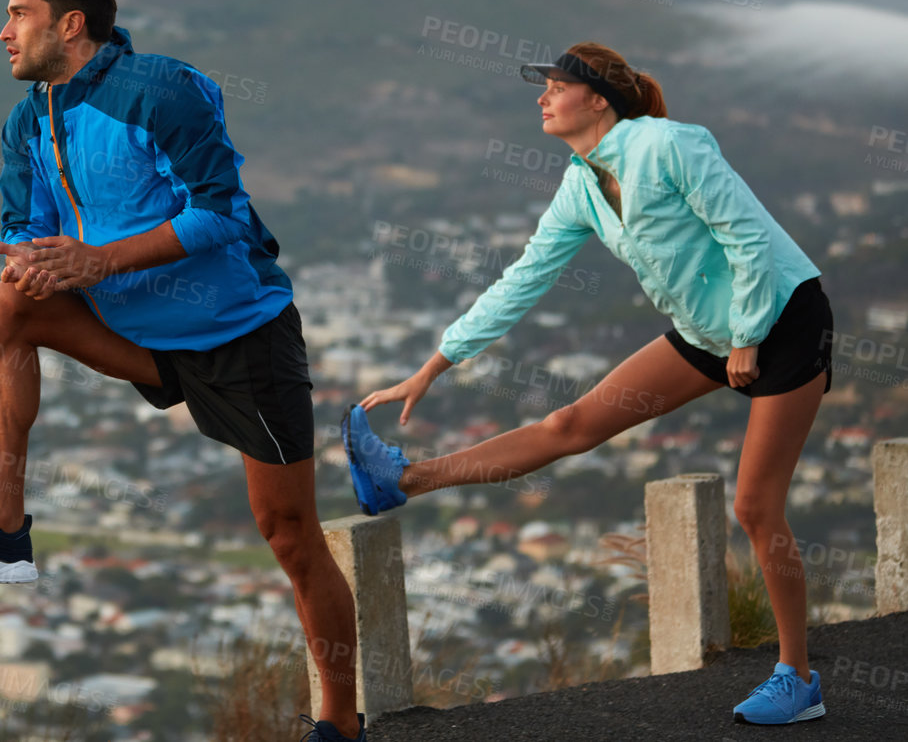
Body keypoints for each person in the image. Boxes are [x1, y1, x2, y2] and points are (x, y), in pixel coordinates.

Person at [0, 0, 365, 742]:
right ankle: (3, 528)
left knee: (289, 535)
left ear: (70, 24)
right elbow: (31, 230)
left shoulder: (163, 91)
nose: (3, 33)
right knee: (1, 306)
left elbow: (223, 212)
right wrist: (33, 258)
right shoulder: (26, 122)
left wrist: (95, 260)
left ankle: (338, 720)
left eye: (18, 14)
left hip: (237, 336)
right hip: (134, 334)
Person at [343, 42, 833, 727]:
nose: (541, 98)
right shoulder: (582, 183)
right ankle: (401, 481)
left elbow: (748, 239)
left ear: (597, 98)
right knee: (569, 426)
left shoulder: (669, 147)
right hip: (706, 331)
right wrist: (435, 364)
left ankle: (797, 677)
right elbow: (525, 278)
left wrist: (750, 337)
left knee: (756, 507)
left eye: (554, 87)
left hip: (780, 318)